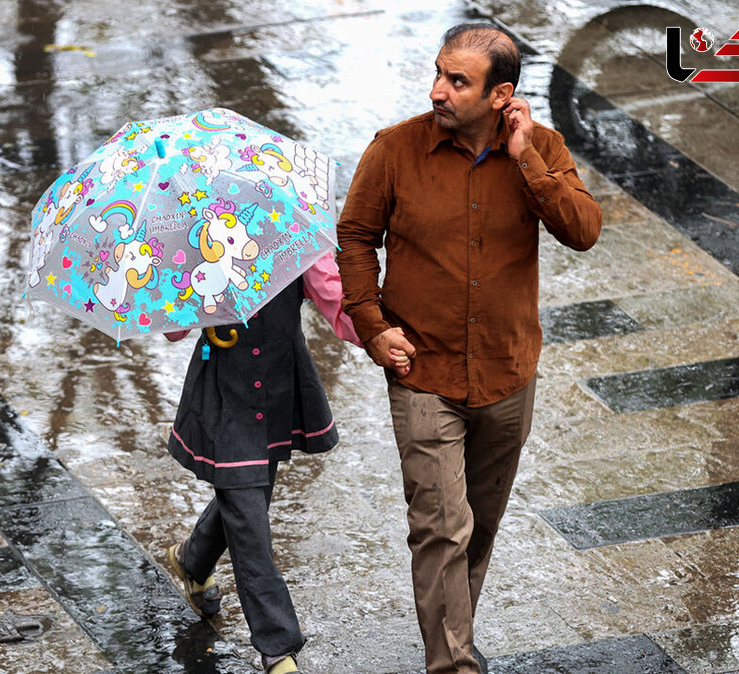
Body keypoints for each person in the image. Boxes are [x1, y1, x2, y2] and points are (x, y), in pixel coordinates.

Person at [335, 23, 603, 674]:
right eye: (438, 74)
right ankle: (452, 663)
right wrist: (373, 326)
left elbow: (584, 230)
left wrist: (527, 160)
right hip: (421, 369)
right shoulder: (394, 151)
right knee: (439, 528)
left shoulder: (541, 147)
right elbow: (354, 236)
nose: (437, 91)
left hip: (508, 374)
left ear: (499, 94)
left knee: (476, 529)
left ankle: (450, 632)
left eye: (457, 81)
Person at [163, 251, 360, 674]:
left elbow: (335, 298)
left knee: (247, 498)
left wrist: (381, 335)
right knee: (249, 517)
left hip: (279, 384)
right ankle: (278, 647)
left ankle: (193, 559)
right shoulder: (195, 238)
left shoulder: (295, 234)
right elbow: (175, 329)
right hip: (224, 394)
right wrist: (190, 283)